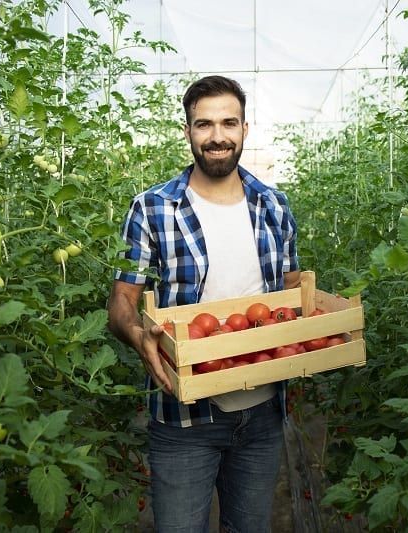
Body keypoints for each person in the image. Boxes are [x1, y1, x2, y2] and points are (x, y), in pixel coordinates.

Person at [107, 75, 300, 533]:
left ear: (244, 129)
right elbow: (121, 301)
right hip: (183, 417)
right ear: (188, 131)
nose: (217, 136)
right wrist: (136, 334)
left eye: (228, 123)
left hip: (263, 413)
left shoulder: (274, 205)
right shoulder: (152, 208)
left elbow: (292, 297)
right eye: (204, 124)